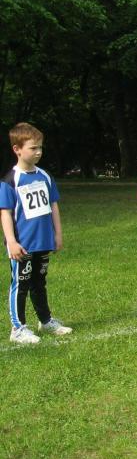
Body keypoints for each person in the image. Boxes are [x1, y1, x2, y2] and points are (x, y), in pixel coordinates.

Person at [1, 123, 71, 344]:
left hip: (43, 241)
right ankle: (18, 328)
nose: (38, 152)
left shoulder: (45, 176)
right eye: (33, 148)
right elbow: (5, 212)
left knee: (39, 282)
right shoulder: (11, 180)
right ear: (17, 149)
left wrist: (57, 234)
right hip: (23, 244)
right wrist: (11, 242)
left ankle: (45, 320)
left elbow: (53, 206)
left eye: (40, 147)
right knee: (20, 284)